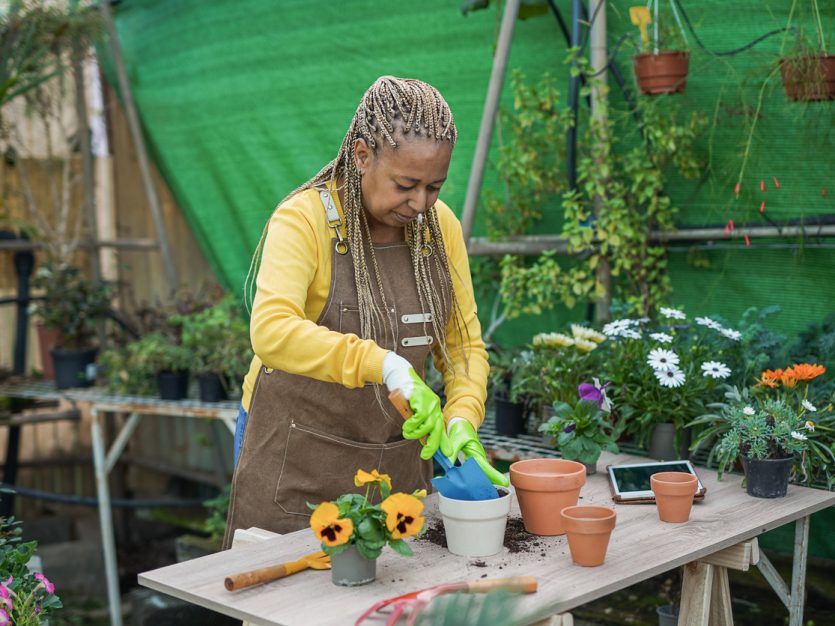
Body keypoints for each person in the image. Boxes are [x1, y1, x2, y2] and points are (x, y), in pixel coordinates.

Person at [223, 76, 506, 547]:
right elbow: (271, 331)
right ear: (361, 155)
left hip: (393, 460)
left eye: (434, 186)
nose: (420, 203)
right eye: (406, 184)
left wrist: (461, 418)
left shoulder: (441, 230)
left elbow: (463, 347)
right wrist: (385, 364)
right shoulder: (305, 219)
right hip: (295, 461)